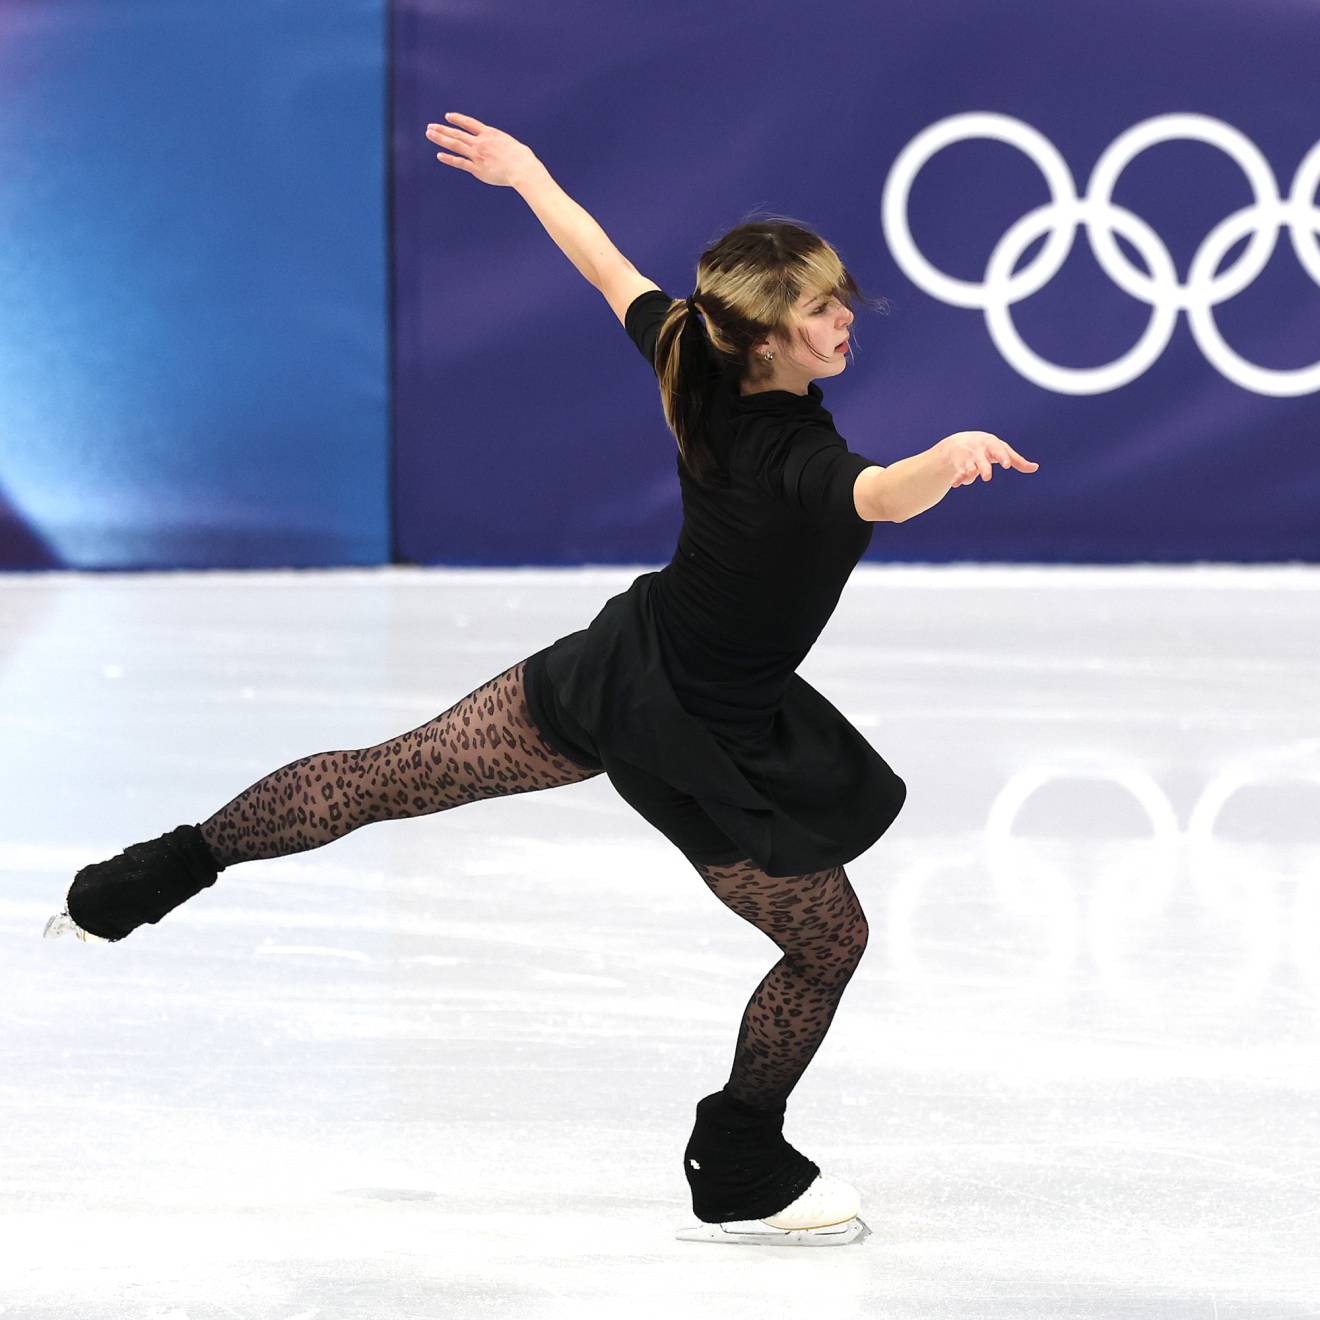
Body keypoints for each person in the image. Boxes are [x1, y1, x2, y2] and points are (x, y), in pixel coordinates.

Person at [51, 111, 1039, 1247]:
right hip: (701, 735)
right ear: (760, 340)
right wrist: (946, 458)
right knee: (829, 944)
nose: (842, 315)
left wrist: (527, 174)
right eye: (818, 307)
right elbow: (876, 494)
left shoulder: (689, 354)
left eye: (836, 294)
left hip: (619, 667)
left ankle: (153, 875)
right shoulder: (792, 454)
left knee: (384, 776)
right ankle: (737, 1157)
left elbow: (606, 266)